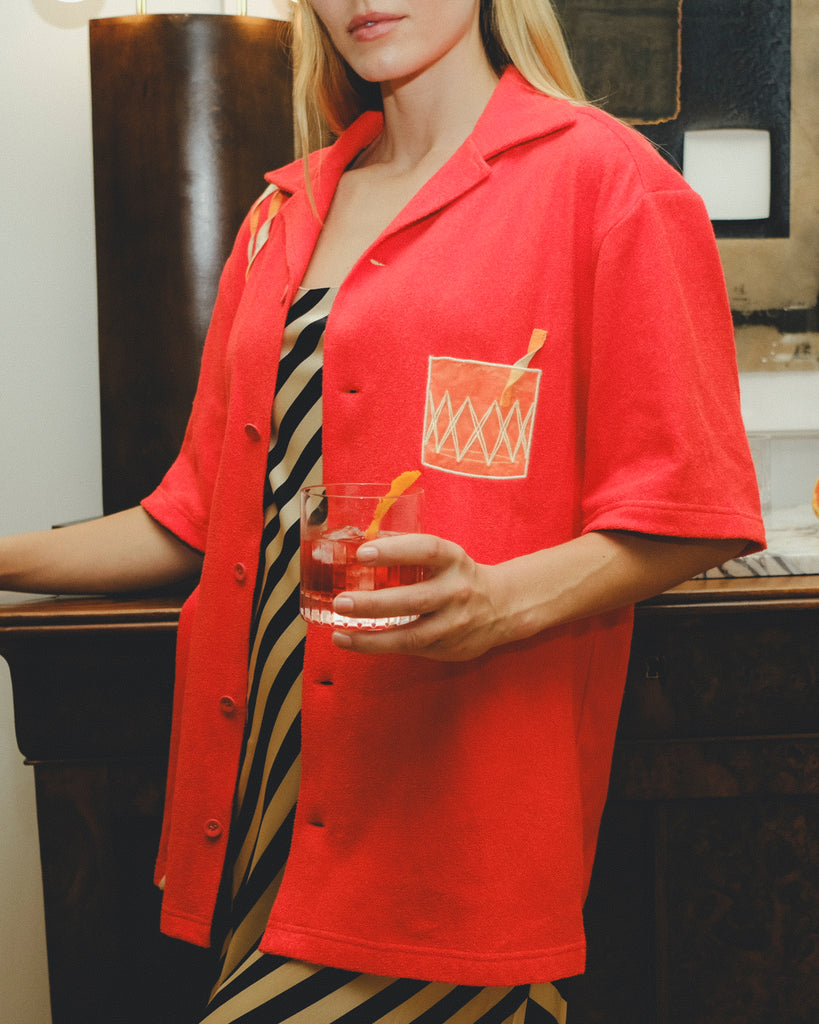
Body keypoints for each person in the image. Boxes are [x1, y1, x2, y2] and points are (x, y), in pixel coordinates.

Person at [1, 1, 765, 1021]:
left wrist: (501, 601)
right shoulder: (281, 213)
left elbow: (693, 505)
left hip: (449, 819)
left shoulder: (608, 182)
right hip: (263, 806)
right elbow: (193, 519)